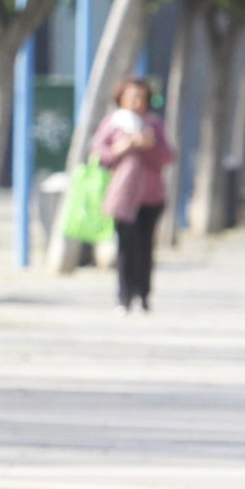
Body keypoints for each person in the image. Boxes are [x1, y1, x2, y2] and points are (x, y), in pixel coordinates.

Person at [91, 76, 175, 314]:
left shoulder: (153, 125)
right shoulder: (113, 124)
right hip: (123, 197)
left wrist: (149, 146)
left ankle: (145, 294)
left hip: (151, 196)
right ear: (122, 98)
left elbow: (167, 157)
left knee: (146, 247)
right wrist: (123, 147)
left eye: (141, 97)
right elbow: (100, 154)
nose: (137, 101)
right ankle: (124, 296)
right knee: (126, 248)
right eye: (132, 96)